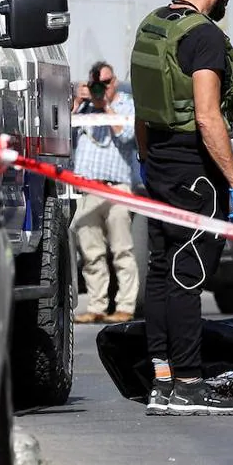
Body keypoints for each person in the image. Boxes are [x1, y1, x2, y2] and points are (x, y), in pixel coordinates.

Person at [130, 0, 233, 416]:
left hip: (160, 161)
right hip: (193, 170)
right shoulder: (202, 36)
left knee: (162, 270)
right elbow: (208, 117)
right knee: (189, 273)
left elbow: (144, 106)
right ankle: (187, 382)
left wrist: (146, 157)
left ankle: (161, 379)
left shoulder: (154, 24)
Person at [71, 61, 139, 324]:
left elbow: (126, 137)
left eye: (107, 83)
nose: (103, 89)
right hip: (89, 189)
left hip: (117, 188)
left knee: (122, 249)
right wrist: (77, 103)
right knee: (91, 252)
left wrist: (106, 107)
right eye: (97, 84)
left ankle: (125, 306)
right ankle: (97, 305)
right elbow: (65, 135)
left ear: (116, 81)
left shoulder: (125, 105)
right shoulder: (85, 108)